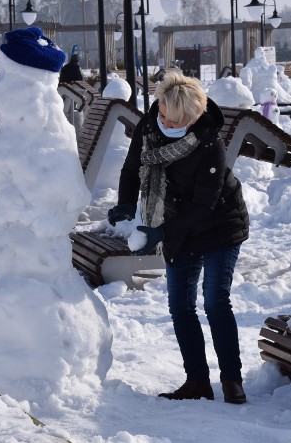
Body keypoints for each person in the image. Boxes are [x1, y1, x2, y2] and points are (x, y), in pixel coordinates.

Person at [107, 72, 250, 404]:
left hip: (219, 225)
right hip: (176, 222)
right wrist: (126, 204)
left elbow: (205, 205)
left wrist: (159, 232)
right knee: (181, 306)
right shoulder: (149, 126)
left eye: (179, 120)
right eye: (165, 115)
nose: (169, 123)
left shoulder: (209, 142)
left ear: (194, 117)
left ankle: (232, 380)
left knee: (215, 301)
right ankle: (198, 381)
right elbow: (131, 168)